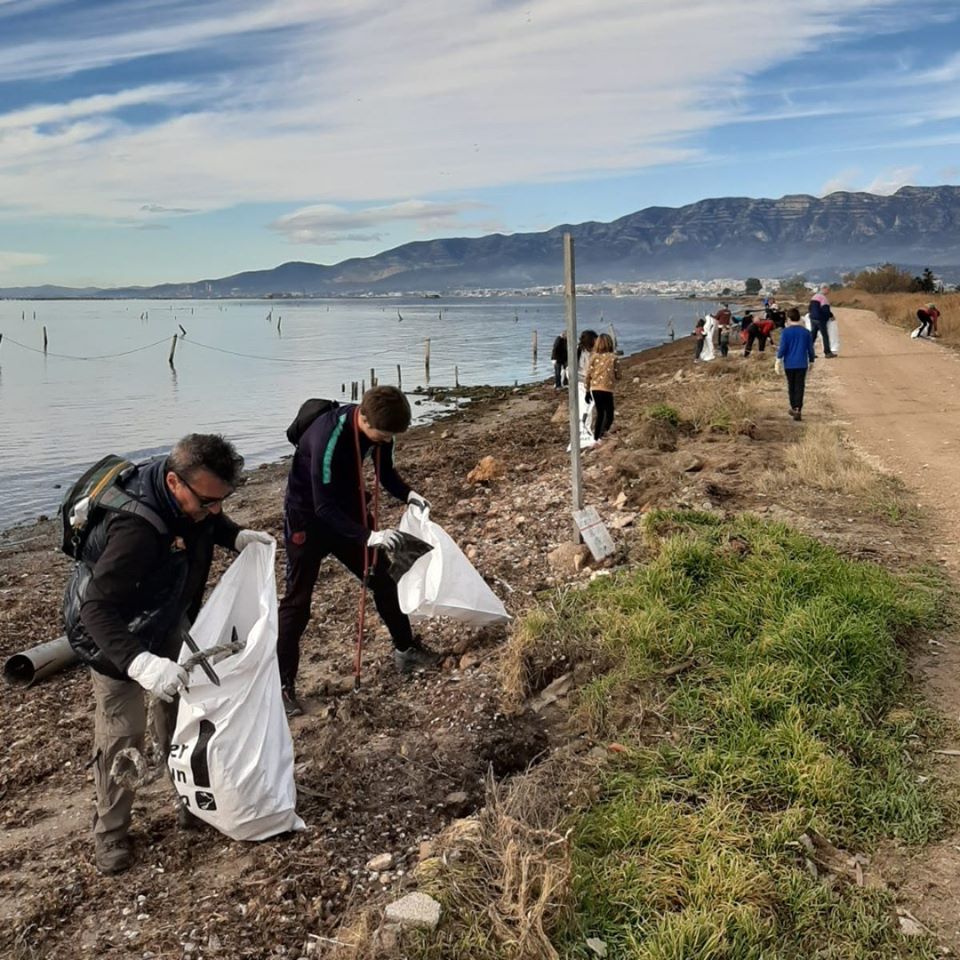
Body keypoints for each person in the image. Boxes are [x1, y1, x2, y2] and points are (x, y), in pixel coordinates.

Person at [63, 434, 271, 875]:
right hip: (112, 636)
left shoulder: (192, 495)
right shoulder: (135, 529)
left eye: (223, 500)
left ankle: (189, 798)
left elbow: (209, 520)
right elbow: (94, 609)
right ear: (175, 482)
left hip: (165, 615)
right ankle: (111, 832)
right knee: (124, 732)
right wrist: (140, 663)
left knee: (179, 712)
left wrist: (233, 536)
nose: (215, 509)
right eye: (208, 501)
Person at [277, 386, 439, 718]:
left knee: (382, 580)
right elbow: (323, 507)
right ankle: (282, 686)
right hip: (307, 520)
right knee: (297, 604)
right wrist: (368, 536)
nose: (384, 440)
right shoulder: (329, 437)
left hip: (349, 515)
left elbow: (385, 473)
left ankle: (405, 650)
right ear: (362, 417)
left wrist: (410, 495)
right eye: (381, 435)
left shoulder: (383, 429)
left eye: (390, 437)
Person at [776, 308, 816, 420]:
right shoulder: (806, 332)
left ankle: (794, 407)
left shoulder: (786, 332)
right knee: (800, 386)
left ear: (788, 318)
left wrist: (778, 360)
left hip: (789, 364)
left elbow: (783, 348)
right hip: (802, 363)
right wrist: (812, 360)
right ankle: (798, 408)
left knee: (791, 386)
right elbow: (810, 349)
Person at [584, 333, 619, 441]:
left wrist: (587, 391)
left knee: (600, 413)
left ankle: (596, 437)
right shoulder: (613, 357)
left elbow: (588, 374)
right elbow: (618, 374)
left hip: (595, 388)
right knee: (609, 413)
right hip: (607, 388)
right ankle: (602, 434)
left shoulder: (593, 357)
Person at [808, 285, 836, 358]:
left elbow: (810, 308)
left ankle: (809, 353)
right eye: (828, 289)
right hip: (820, 320)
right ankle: (827, 353)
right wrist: (831, 316)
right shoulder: (823, 298)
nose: (829, 291)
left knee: (813, 336)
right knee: (825, 336)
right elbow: (826, 310)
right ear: (824, 289)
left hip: (813, 319)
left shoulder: (814, 297)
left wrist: (811, 316)